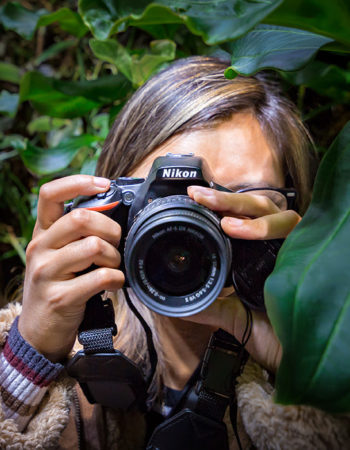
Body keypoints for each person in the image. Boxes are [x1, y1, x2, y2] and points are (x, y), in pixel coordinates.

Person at [1, 56, 349, 449]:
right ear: (115, 207)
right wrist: (30, 354)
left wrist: (314, 365)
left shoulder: (317, 346)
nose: (200, 229)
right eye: (173, 201)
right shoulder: (64, 346)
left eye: (240, 201)